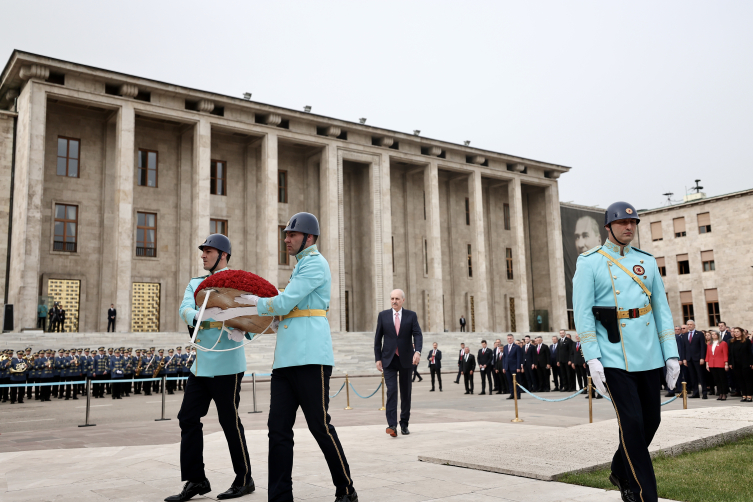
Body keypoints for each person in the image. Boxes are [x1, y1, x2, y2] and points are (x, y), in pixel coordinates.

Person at [573, 201, 680, 502]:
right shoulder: (590, 262)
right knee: (631, 423)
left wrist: (670, 353)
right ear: (608, 227)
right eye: (622, 223)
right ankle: (644, 495)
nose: (629, 227)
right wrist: (592, 357)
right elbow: (583, 313)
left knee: (651, 421)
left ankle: (620, 469)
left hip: (648, 352)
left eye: (633, 223)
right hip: (612, 352)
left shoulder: (646, 261)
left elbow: (662, 310)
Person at [251, 213, 356, 502]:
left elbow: (285, 302)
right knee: (278, 430)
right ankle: (280, 496)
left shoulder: (315, 264)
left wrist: (251, 304)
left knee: (319, 426)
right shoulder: (300, 266)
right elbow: (286, 312)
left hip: (311, 357)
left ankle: (346, 488)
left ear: (308, 238)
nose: (286, 239)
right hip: (285, 360)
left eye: (292, 235)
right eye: (286, 234)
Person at [168, 233, 255, 502]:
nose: (203, 255)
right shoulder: (196, 284)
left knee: (229, 421)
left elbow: (252, 319)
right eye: (203, 251)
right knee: (187, 418)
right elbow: (185, 309)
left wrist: (238, 323)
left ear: (223, 255)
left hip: (228, 363)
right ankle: (196, 479)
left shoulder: (238, 283)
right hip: (202, 363)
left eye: (209, 251)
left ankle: (244, 479)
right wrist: (201, 314)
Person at [374, 287, 423, 439]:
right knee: (392, 391)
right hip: (388, 359)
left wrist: (417, 351)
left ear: (403, 300)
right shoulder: (383, 315)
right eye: (392, 299)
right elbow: (378, 339)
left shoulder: (411, 315)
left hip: (406, 359)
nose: (394, 301)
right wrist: (377, 358)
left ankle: (404, 423)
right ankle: (392, 425)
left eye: (397, 299)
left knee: (405, 392)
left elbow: (418, 334)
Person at [684, 320, 707, 399]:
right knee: (693, 377)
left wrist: (702, 357)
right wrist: (684, 359)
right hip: (689, 359)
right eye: (688, 324)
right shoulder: (685, 335)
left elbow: (702, 347)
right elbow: (684, 347)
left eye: (691, 324)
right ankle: (695, 392)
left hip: (698, 358)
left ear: (694, 325)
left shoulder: (699, 334)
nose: (689, 326)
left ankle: (704, 392)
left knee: (701, 376)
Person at [728, 327, 752, 402]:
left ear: (741, 332)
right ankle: (744, 395)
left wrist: (751, 362)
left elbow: (750, 353)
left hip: (745, 363)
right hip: (736, 364)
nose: (736, 333)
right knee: (740, 380)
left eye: (737, 331)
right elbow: (730, 353)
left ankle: (749, 395)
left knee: (747, 379)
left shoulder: (746, 341)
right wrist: (730, 363)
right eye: (735, 332)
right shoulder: (732, 342)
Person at [706, 331, 728, 401]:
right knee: (717, 380)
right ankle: (720, 393)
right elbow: (708, 354)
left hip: (720, 363)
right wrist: (707, 363)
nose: (714, 335)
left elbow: (725, 354)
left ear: (718, 335)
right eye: (712, 334)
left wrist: (726, 363)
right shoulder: (709, 343)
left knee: (722, 379)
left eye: (715, 334)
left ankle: (724, 393)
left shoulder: (723, 343)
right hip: (712, 363)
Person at [502, 334, 523, 399]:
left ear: (513, 339)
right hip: (507, 367)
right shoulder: (505, 347)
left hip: (514, 367)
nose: (509, 339)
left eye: (510, 338)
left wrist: (518, 367)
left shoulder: (516, 347)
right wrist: (504, 367)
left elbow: (518, 357)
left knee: (516, 382)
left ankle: (518, 394)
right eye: (508, 338)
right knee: (510, 382)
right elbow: (504, 358)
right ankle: (512, 394)